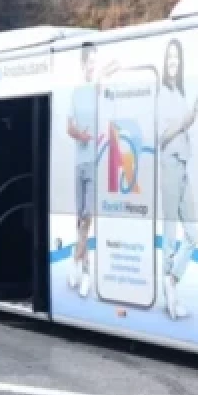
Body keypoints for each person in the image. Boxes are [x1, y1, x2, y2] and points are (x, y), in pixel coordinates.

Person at [66, 44, 118, 297]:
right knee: (80, 218)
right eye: (90, 63)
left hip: (97, 162)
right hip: (80, 162)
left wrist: (106, 73)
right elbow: (69, 128)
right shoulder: (76, 93)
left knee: (88, 216)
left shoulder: (98, 90)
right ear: (83, 64)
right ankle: (84, 270)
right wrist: (82, 135)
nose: (93, 67)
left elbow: (108, 79)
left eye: (95, 63)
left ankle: (76, 262)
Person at [157, 39, 198, 320]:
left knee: (193, 234)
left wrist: (189, 118)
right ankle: (169, 291)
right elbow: (161, 136)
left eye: (177, 59)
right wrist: (185, 121)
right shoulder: (161, 94)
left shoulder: (179, 93)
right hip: (170, 165)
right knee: (171, 232)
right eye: (170, 59)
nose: (173, 64)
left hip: (183, 164)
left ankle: (171, 279)